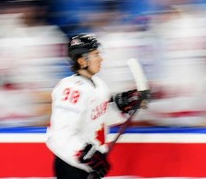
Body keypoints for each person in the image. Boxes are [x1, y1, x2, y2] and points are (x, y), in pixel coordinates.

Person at [46, 33, 149, 179]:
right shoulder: (71, 89)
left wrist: (123, 105)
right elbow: (61, 133)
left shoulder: (99, 85)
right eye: (95, 54)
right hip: (72, 166)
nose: (101, 59)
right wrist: (87, 154)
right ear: (82, 61)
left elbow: (97, 119)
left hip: (91, 164)